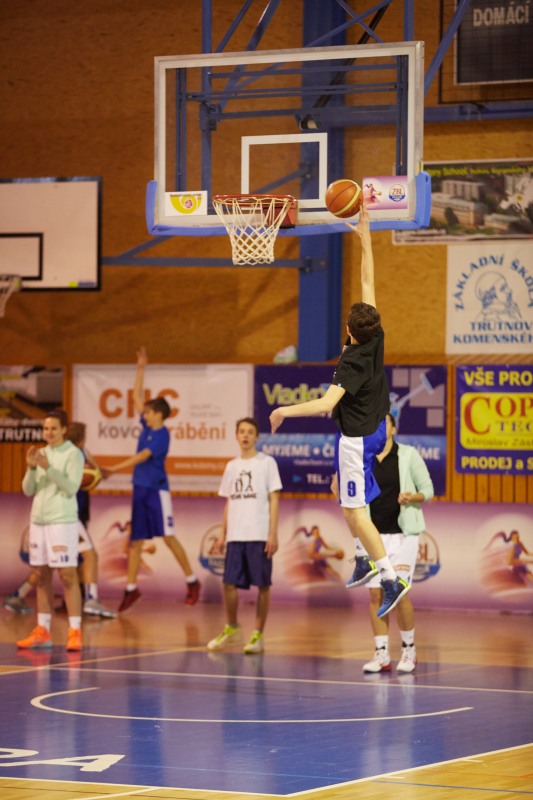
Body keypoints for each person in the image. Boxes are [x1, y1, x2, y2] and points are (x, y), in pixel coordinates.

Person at [270, 203, 409, 619]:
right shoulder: (375, 335)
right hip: (376, 429)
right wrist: (366, 239)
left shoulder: (351, 362)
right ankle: (363, 557)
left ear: (349, 329)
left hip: (357, 440)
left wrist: (283, 411)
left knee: (354, 510)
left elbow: (327, 403)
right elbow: (369, 283)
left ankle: (390, 577)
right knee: (344, 494)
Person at [104, 347, 200, 611]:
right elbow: (136, 396)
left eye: (147, 412)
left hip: (157, 492)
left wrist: (113, 469)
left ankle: (192, 581)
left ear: (158, 414)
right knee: (135, 540)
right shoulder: (147, 426)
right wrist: (141, 367)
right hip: (140, 489)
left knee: (168, 537)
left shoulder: (161, 435)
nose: (143, 414)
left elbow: (141, 457)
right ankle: (131, 589)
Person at [359, 413, 434, 674]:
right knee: (375, 594)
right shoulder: (364, 458)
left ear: (393, 429)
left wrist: (413, 496)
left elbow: (428, 490)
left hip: (404, 535)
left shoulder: (408, 455)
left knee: (398, 593)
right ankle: (381, 654)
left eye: (384, 423)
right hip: (373, 536)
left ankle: (409, 649)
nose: (379, 428)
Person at [207, 417, 282, 654]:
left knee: (263, 585)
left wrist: (272, 533)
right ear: (236, 436)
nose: (246, 435)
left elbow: (274, 499)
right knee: (228, 583)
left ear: (256, 436)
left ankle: (258, 635)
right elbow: (229, 501)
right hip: (236, 536)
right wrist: (222, 534)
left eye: (250, 432)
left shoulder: (267, 463)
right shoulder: (232, 466)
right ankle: (232, 628)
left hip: (259, 534)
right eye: (242, 431)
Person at [16, 409, 85, 652]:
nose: (49, 432)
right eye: (45, 428)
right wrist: (31, 467)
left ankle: (75, 630)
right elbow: (27, 490)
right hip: (39, 521)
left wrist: (49, 468)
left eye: (54, 428)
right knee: (41, 575)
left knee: (67, 575)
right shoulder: (41, 453)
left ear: (64, 429)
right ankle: (42, 631)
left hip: (62, 521)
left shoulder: (73, 454)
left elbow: (71, 487)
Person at [66, 421, 117, 618]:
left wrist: (99, 472)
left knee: (76, 557)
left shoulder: (74, 452)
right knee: (90, 555)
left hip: (75, 512)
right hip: (71, 514)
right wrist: (97, 474)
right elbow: (92, 473)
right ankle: (91, 600)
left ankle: (78, 597)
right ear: (82, 438)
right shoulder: (76, 455)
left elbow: (96, 471)